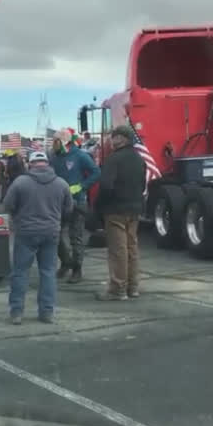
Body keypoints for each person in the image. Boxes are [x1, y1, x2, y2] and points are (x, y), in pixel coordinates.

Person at [2, 151, 73, 325]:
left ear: (31, 164)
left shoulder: (20, 182)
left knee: (20, 273)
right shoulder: (61, 183)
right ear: (47, 164)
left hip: (26, 232)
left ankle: (17, 312)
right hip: (51, 232)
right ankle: (47, 312)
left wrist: (18, 217)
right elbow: (69, 208)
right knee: (48, 272)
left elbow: (7, 205)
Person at [95, 125, 147, 301]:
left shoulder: (113, 159)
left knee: (118, 250)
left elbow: (106, 186)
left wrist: (99, 206)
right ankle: (133, 288)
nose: (111, 139)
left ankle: (118, 289)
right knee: (132, 248)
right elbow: (143, 184)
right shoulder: (140, 159)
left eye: (113, 136)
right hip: (135, 209)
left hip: (115, 210)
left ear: (121, 139)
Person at [50, 133, 101, 283]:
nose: (54, 144)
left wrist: (81, 186)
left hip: (77, 202)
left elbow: (96, 172)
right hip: (58, 203)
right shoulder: (53, 157)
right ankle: (66, 262)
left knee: (76, 236)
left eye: (56, 141)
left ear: (65, 142)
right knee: (54, 235)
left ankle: (77, 269)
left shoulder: (80, 155)